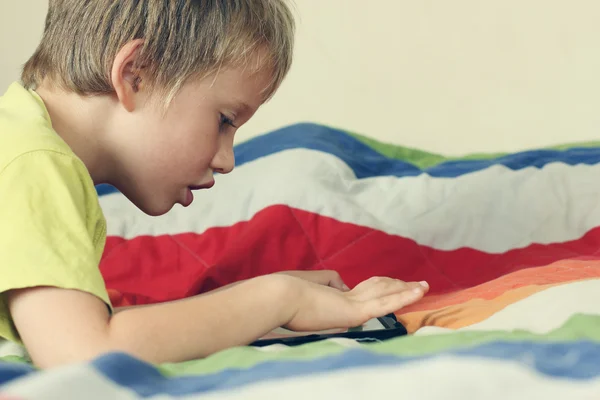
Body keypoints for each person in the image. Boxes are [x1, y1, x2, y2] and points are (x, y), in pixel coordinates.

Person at [0, 0, 429, 369]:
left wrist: (247, 302)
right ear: (136, 75)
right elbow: (83, 353)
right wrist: (278, 299)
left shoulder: (24, 140)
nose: (227, 160)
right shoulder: (34, 163)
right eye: (224, 120)